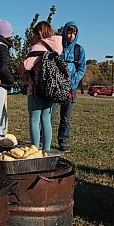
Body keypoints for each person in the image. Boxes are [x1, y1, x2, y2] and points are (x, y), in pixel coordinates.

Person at [18, 21, 63, 152]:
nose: (32, 37)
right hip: (50, 89)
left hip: (36, 89)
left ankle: (35, 149)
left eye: (33, 34)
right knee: (46, 120)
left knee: (34, 120)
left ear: (38, 34)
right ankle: (47, 150)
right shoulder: (56, 48)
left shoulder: (38, 47)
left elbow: (26, 66)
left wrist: (20, 68)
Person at [51, 22, 86, 152]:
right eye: (69, 32)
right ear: (64, 32)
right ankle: (44, 140)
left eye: (74, 33)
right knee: (49, 115)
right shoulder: (57, 47)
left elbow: (81, 69)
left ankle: (63, 141)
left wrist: (73, 81)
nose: (71, 36)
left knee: (65, 117)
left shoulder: (79, 50)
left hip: (70, 88)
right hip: (55, 87)